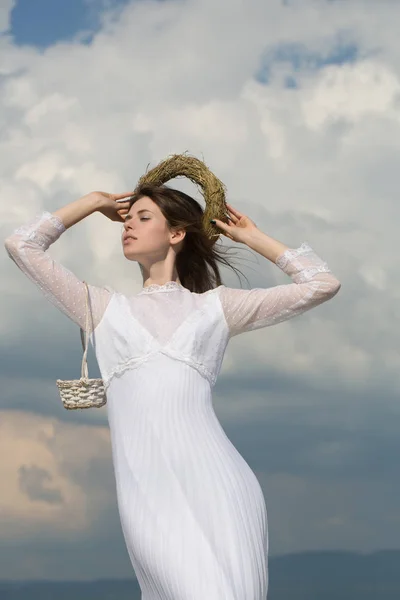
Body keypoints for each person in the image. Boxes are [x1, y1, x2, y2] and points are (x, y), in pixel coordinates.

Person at [4, 184, 341, 599]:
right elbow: (22, 245)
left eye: (143, 218)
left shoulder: (216, 308)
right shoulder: (102, 309)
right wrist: (93, 203)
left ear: (176, 234)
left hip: (218, 485)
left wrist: (251, 236)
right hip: (147, 496)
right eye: (127, 218)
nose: (127, 225)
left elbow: (321, 284)